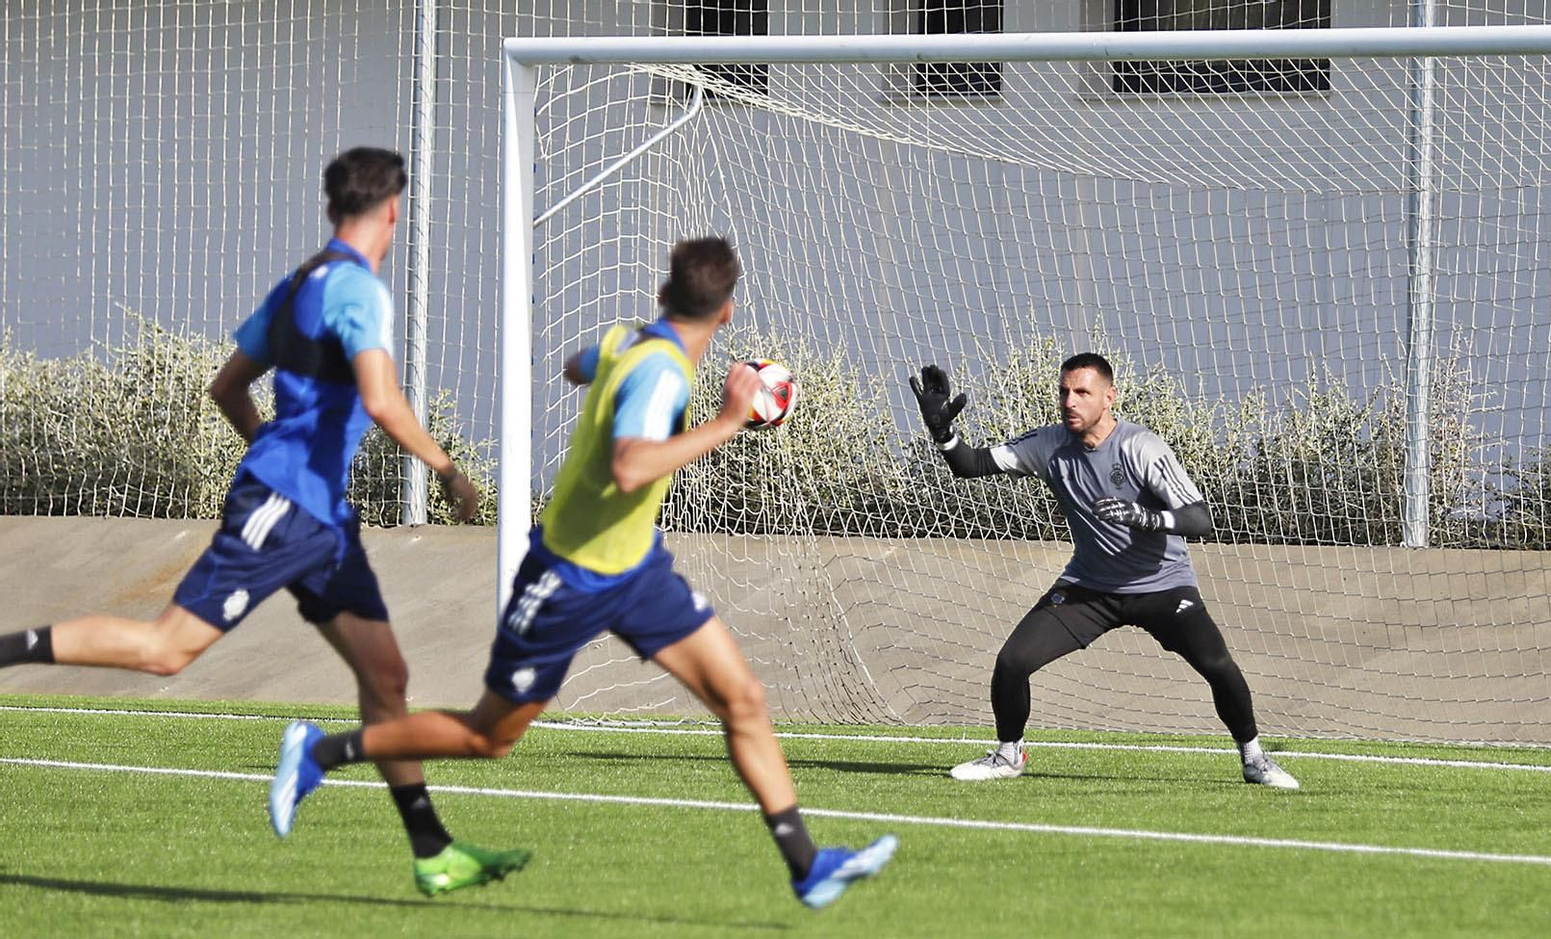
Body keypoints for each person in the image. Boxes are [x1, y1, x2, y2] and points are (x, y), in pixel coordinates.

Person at [268, 236, 897, 909]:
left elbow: (576, 366)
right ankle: (319, 753)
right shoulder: (661, 374)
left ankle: (807, 865)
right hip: (567, 576)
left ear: (664, 295)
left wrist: (607, 369)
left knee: (742, 696)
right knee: (489, 737)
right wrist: (727, 422)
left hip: (635, 570)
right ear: (728, 314)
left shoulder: (629, 340)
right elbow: (630, 466)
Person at [0, 147, 531, 894]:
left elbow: (227, 388)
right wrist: (447, 471)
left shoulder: (296, 285)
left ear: (334, 206)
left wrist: (274, 449)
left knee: (388, 676)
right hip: (286, 509)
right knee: (166, 649)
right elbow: (380, 400)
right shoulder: (358, 290)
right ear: (391, 210)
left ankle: (432, 849)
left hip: (321, 519)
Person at [908, 354, 1299, 789]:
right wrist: (943, 433)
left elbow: (1200, 518)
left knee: (1216, 663)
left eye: (1082, 392)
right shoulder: (1048, 444)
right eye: (1064, 392)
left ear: (1108, 398)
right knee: (1012, 662)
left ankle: (1254, 759)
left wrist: (1146, 518)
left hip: (1162, 586)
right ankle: (1007, 754)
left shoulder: (1141, 446)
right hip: (1089, 588)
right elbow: (970, 465)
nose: (1069, 402)